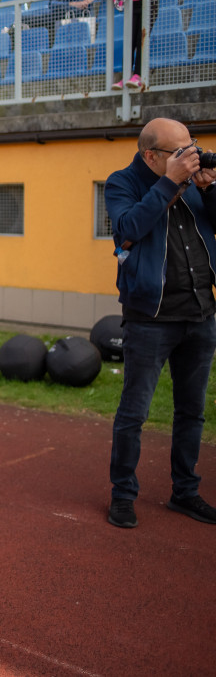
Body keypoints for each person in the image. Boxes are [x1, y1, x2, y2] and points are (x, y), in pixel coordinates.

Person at [105, 118, 216, 528]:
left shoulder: (194, 182)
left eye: (193, 146)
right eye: (179, 151)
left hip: (201, 313)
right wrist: (169, 183)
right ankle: (122, 495)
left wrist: (209, 189)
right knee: (134, 413)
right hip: (150, 319)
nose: (191, 156)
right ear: (151, 155)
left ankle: (185, 493)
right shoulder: (123, 183)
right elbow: (128, 229)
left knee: (192, 412)